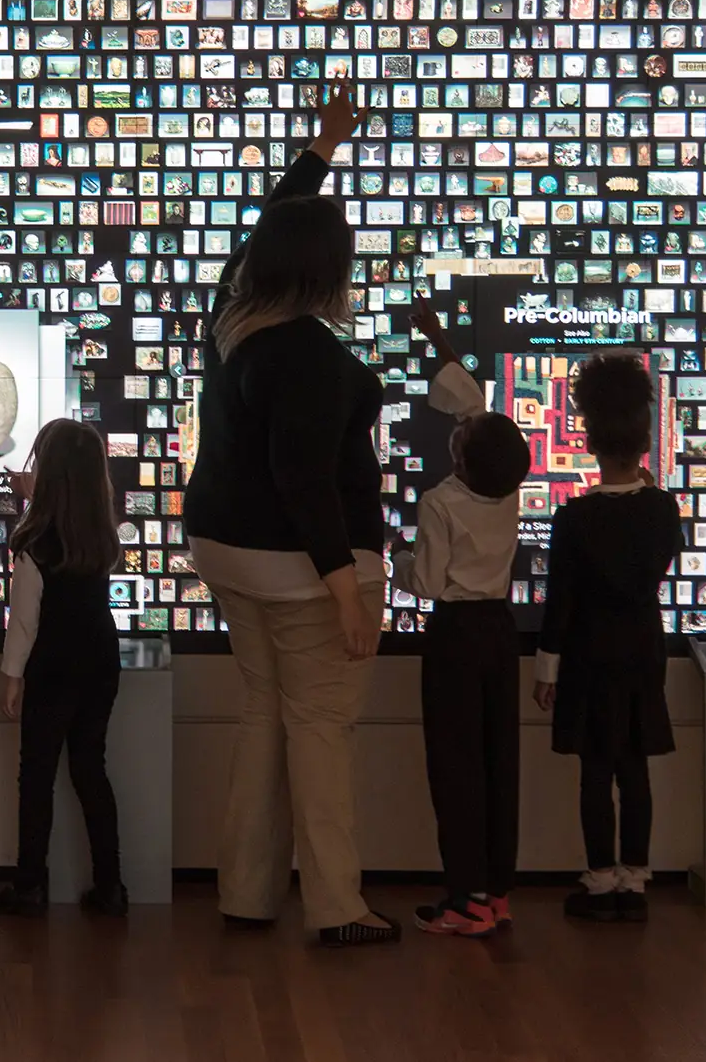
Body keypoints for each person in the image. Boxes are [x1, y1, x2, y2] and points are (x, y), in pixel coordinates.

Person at [182, 82, 402, 949]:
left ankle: (247, 890)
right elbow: (306, 480)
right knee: (319, 729)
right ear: (329, 272)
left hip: (227, 553)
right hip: (305, 568)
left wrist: (323, 147)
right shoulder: (308, 354)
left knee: (263, 711)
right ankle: (338, 904)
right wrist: (345, 590)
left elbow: (267, 230)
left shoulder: (233, 318)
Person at [395, 302, 532, 936]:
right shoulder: (504, 482)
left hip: (454, 636)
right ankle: (496, 894)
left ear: (459, 460)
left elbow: (424, 582)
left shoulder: (439, 503)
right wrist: (437, 335)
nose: (457, 430)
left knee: (454, 767)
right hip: (500, 633)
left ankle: (462, 900)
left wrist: (395, 561)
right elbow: (473, 405)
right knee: (500, 762)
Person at [534, 352, 680, 923]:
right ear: (644, 441)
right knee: (635, 769)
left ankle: (599, 884)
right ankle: (635, 883)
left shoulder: (574, 519)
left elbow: (561, 603)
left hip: (588, 661)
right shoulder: (663, 510)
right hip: (643, 655)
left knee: (596, 772)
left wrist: (546, 670)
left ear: (590, 441)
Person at [0, 420, 126, 919]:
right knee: (91, 769)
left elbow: (25, 621)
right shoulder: (101, 535)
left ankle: (29, 885)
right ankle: (112, 887)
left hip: (53, 665)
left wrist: (10, 675)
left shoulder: (33, 544)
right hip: (100, 660)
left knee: (36, 774)